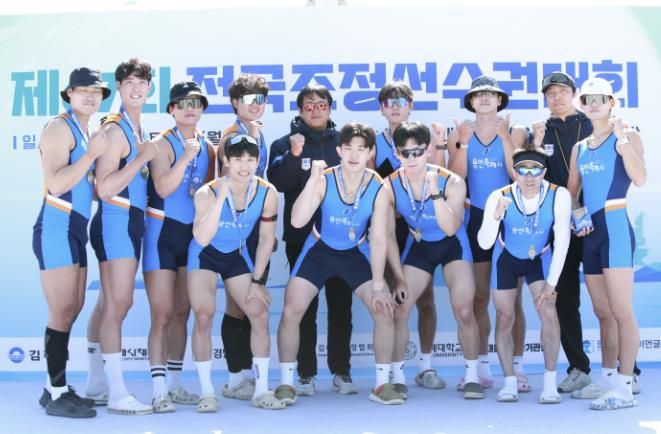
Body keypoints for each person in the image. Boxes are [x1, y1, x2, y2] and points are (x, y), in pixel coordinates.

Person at [275, 122, 403, 406]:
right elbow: (297, 221)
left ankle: (382, 385)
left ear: (370, 152)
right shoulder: (325, 179)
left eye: (361, 149)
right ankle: (286, 383)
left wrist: (379, 285)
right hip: (319, 251)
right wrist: (312, 181)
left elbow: (379, 238)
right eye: (348, 148)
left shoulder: (379, 187)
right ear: (339, 151)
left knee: (384, 310)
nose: (354, 155)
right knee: (291, 310)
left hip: (355, 253)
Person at [385, 121, 484, 399]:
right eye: (405, 153)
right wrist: (398, 276)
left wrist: (434, 193)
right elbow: (386, 234)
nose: (412, 159)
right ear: (397, 153)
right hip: (419, 246)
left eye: (417, 152)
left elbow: (450, 228)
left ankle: (472, 376)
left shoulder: (452, 181)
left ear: (428, 150)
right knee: (400, 308)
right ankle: (398, 376)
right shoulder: (389, 185)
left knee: (463, 309)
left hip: (452, 245)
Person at [267, 84, 355, 395]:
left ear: (330, 108)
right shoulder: (284, 143)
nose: (315, 110)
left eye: (321, 105)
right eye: (309, 105)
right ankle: (306, 374)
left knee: (341, 308)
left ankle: (342, 372)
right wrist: (294, 155)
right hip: (302, 240)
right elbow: (278, 183)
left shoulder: (345, 142)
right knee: (303, 309)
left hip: (341, 239)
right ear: (299, 109)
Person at [33, 67, 111, 418]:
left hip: (76, 228)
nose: (91, 97)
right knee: (61, 311)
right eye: (83, 91)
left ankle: (55, 387)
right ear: (69, 94)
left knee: (73, 308)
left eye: (97, 92)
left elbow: (85, 186)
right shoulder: (59, 127)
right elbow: (56, 183)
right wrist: (92, 155)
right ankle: (56, 392)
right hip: (56, 226)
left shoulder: (87, 130)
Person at [187, 134, 283, 412]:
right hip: (204, 255)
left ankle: (261, 390)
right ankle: (207, 392)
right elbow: (202, 238)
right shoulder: (206, 193)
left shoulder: (267, 192)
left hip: (236, 255)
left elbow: (266, 239)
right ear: (226, 161)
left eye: (251, 159)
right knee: (203, 315)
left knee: (259, 313)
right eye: (238, 159)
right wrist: (221, 198)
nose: (245, 166)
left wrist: (257, 281)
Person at [567, 77, 646, 410]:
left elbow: (640, 178)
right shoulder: (580, 147)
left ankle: (626, 387)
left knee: (621, 311)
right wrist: (577, 213)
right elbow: (572, 193)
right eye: (588, 99)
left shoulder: (627, 136)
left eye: (601, 98)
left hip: (615, 230)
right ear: (582, 106)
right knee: (602, 312)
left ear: (612, 102)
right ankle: (609, 379)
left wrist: (622, 138)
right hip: (591, 235)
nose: (595, 103)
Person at [87, 58, 158, 415]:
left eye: (141, 82)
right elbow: (104, 188)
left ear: (149, 87)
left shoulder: (138, 126)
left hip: (130, 222)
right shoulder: (116, 130)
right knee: (119, 304)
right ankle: (116, 392)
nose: (136, 88)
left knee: (107, 303)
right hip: (115, 220)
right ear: (118, 86)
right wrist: (141, 159)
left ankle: (96, 383)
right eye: (129, 82)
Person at [142, 81, 214, 412]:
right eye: (182, 103)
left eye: (195, 103)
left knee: (183, 312)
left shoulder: (208, 146)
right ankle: (158, 391)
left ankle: (174, 384)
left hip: (191, 237)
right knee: (162, 314)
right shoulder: (161, 143)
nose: (189, 109)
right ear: (172, 109)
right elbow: (162, 188)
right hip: (162, 236)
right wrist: (185, 157)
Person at [479, 144, 571, 404]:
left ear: (544, 172)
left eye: (535, 170)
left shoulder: (559, 194)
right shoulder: (499, 195)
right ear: (514, 172)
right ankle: (509, 383)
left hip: (539, 259)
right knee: (505, 317)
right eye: (522, 170)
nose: (529, 177)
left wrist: (551, 283)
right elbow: (485, 243)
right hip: (506, 259)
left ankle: (550, 385)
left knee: (549, 314)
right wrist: (495, 216)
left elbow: (562, 240)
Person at [447, 75, 521, 391]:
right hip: (474, 218)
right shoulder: (459, 132)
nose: (486, 98)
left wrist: (505, 138)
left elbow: (518, 174)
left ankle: (518, 368)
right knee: (479, 298)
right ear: (471, 102)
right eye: (479, 95)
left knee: (512, 302)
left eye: (492, 94)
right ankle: (481, 367)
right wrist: (463, 142)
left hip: (507, 218)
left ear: (500, 100)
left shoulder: (515, 131)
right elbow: (455, 177)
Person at [374, 82, 446, 389]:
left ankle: (425, 366)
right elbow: (370, 187)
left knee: (425, 300)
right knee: (395, 299)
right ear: (381, 108)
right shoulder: (373, 142)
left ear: (410, 105)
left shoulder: (424, 137)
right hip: (390, 229)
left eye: (401, 100)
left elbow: (441, 181)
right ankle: (394, 370)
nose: (395, 106)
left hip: (423, 229)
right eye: (388, 101)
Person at [531, 71, 594, 394]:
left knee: (608, 299)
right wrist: (535, 143)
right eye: (550, 93)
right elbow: (529, 176)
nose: (556, 97)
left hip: (595, 222)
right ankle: (579, 368)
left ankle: (628, 369)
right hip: (559, 225)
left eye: (562, 91)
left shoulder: (594, 123)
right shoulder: (541, 131)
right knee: (565, 299)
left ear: (574, 93)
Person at [217, 74, 269, 401]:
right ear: (235, 103)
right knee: (238, 305)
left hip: (254, 227)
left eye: (259, 99)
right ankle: (236, 377)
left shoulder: (256, 131)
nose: (255, 104)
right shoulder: (232, 135)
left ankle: (246, 375)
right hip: (235, 230)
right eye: (248, 99)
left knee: (250, 303)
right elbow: (227, 183)